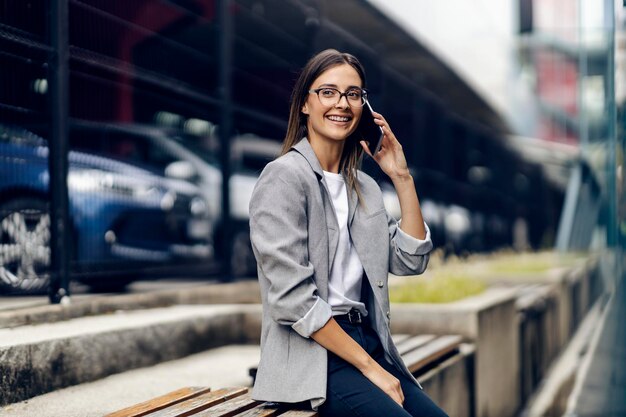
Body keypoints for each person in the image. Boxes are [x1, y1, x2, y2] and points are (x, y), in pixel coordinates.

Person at [248, 49, 448, 417]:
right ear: (305, 104)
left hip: (366, 343)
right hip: (313, 357)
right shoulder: (283, 177)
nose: (342, 103)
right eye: (328, 92)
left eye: (353, 94)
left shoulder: (364, 187)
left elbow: (410, 260)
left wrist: (402, 178)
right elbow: (293, 301)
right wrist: (371, 369)